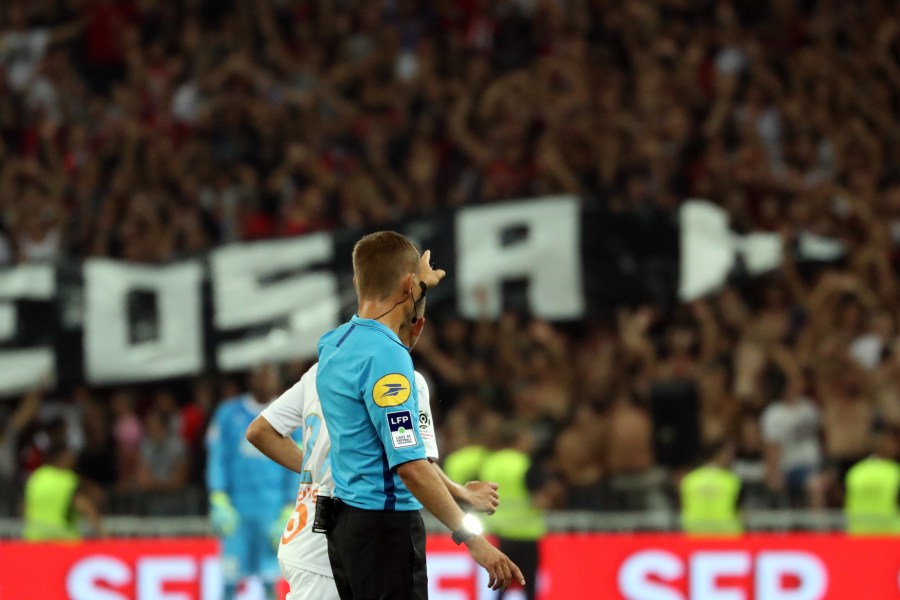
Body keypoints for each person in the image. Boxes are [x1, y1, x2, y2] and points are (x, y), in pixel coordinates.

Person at [315, 231, 524, 599]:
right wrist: (472, 538)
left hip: (348, 528)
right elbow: (410, 465)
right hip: (386, 532)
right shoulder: (388, 358)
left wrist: (418, 287)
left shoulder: (335, 343)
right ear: (407, 283)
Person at [246, 297, 500, 599]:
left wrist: (320, 470)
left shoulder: (320, 372)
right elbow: (414, 464)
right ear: (418, 327)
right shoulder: (404, 381)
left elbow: (260, 431)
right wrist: (465, 514)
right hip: (338, 543)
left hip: (308, 529)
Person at [205, 364, 301, 600]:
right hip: (236, 510)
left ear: (277, 381)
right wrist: (217, 497)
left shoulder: (289, 412)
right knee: (229, 579)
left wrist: (290, 507)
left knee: (270, 582)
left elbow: (299, 461)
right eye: (259, 376)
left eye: (268, 376)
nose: (263, 382)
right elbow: (218, 457)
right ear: (250, 379)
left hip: (272, 510)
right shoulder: (228, 413)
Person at [477, 423, 547, 600]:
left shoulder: (490, 463)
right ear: (518, 440)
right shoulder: (525, 464)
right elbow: (540, 501)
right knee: (528, 587)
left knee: (501, 586)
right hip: (526, 535)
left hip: (499, 536)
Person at [23, 444, 103, 541]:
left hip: (34, 541)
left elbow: (25, 507)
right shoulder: (68, 480)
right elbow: (84, 506)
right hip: (62, 542)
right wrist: (104, 534)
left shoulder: (36, 477)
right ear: (63, 458)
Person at [844, 427, 900, 535]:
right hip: (889, 534)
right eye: (894, 444)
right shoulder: (895, 472)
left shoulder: (855, 471)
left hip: (858, 533)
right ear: (884, 447)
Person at [680, 441, 743, 535]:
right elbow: (740, 511)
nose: (731, 459)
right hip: (726, 537)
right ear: (720, 455)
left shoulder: (689, 479)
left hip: (694, 536)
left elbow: (683, 507)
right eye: (729, 455)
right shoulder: (732, 481)